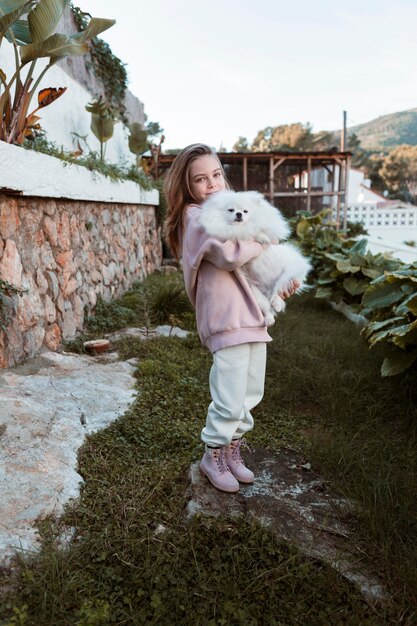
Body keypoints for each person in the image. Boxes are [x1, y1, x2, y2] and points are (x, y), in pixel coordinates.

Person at [164, 143, 299, 493]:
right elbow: (228, 255)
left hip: (252, 315)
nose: (211, 184)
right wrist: (263, 242)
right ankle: (213, 454)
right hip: (225, 318)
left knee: (251, 389)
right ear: (187, 186)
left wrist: (279, 279)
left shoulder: (227, 209)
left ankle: (231, 447)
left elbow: (253, 266)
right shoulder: (196, 217)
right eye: (200, 179)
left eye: (216, 175)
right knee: (228, 392)